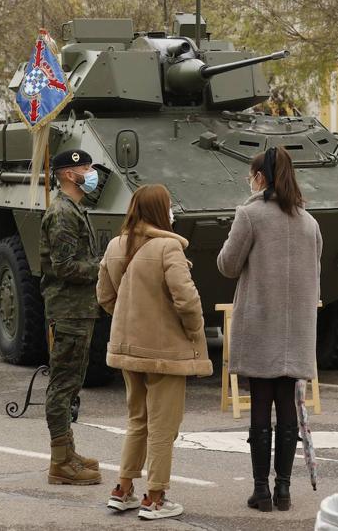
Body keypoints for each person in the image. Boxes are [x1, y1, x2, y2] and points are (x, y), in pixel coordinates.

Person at [97, 184, 212, 520]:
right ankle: (156, 497)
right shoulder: (168, 248)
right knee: (164, 426)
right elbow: (186, 299)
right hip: (165, 352)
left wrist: (129, 318)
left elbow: (104, 296)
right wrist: (193, 331)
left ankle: (123, 488)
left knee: (137, 420)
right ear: (162, 211)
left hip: (127, 348)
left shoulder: (116, 244)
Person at [217, 146, 322, 512]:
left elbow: (228, 265)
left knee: (260, 403)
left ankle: (260, 490)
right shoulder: (310, 223)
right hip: (297, 329)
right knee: (289, 406)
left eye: (252, 175)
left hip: (261, 323)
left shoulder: (250, 214)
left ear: (260, 177)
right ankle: (284, 490)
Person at [40, 148, 102, 485]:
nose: (90, 173)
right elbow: (63, 267)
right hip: (69, 311)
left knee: (71, 382)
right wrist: (102, 267)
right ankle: (59, 462)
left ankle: (68, 452)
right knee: (63, 385)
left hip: (78, 310)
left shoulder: (74, 209)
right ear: (68, 174)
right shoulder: (63, 214)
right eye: (86, 168)